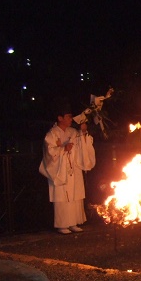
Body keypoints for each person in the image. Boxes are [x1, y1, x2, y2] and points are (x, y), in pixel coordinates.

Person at [39, 97, 96, 234]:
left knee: (75, 195)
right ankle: (62, 224)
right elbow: (49, 152)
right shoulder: (52, 134)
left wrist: (83, 132)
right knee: (62, 197)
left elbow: (83, 145)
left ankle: (74, 222)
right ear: (60, 118)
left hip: (73, 169)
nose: (71, 119)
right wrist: (63, 149)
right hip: (60, 170)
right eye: (68, 116)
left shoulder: (72, 132)